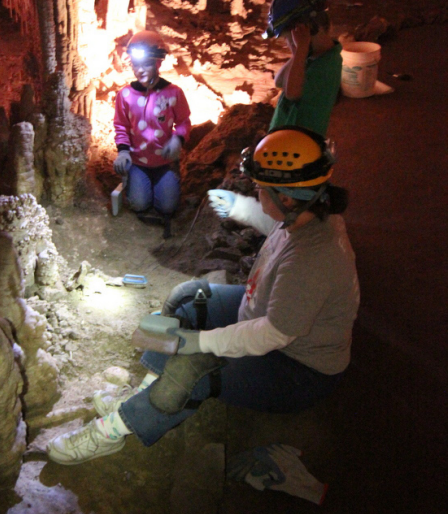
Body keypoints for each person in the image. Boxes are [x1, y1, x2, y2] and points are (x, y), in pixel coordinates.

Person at [46, 126, 360, 465]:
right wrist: (240, 208)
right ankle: (143, 393)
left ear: (286, 198)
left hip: (297, 367)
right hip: (266, 314)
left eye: (260, 189)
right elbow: (277, 228)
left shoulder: (313, 259)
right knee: (186, 296)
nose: (257, 193)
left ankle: (113, 432)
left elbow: (272, 335)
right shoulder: (308, 214)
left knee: (193, 368)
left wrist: (198, 342)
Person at [113, 30, 191, 238]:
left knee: (168, 207)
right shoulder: (126, 95)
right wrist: (123, 151)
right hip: (139, 162)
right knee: (139, 204)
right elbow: (121, 126)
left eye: (146, 64)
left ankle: (164, 186)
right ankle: (135, 183)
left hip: (164, 163)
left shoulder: (173, 93)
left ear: (158, 63)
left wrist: (177, 139)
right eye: (136, 65)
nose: (140, 70)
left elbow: (184, 121)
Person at [266, 0, 343, 136]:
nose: (289, 45)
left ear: (310, 29)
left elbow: (292, 93)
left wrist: (300, 49)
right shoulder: (310, 57)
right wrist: (299, 53)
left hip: (300, 146)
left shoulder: (327, 65)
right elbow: (279, 81)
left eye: (289, 40)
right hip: (287, 141)